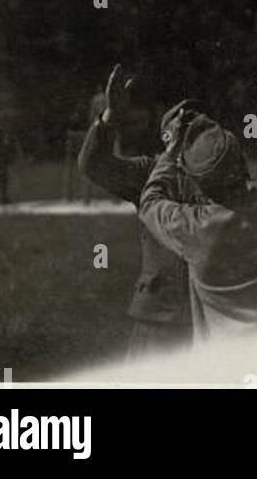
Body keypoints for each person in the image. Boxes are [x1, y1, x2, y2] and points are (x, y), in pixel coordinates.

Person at [138, 67, 257, 339]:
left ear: (199, 182)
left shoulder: (193, 227)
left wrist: (170, 156)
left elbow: (150, 202)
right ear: (242, 163)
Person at [78, 66, 195, 356]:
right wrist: (111, 117)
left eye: (199, 130)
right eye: (182, 129)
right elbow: (94, 165)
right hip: (160, 314)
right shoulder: (150, 171)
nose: (191, 135)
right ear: (167, 138)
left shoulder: (224, 176)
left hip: (208, 314)